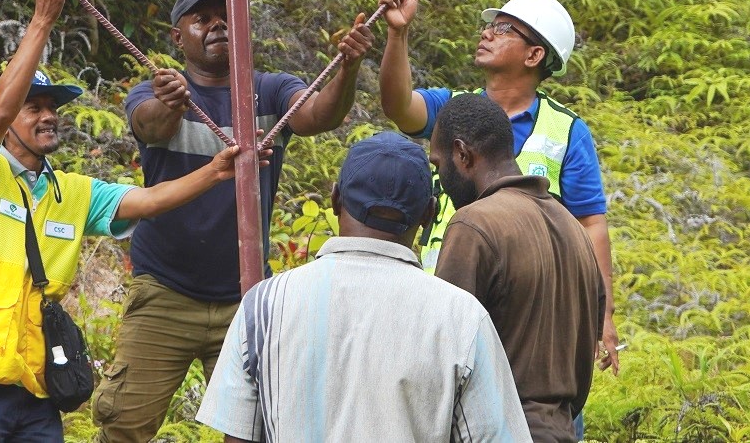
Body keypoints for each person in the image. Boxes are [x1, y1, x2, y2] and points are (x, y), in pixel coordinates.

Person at [0, 0, 261, 443]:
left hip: (38, 385)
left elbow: (146, 201)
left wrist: (215, 171)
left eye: (52, 108)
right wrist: (42, 20)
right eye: (34, 107)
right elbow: (0, 108)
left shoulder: (74, 192)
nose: (49, 117)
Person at [91, 0, 374, 443]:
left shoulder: (272, 90)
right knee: (123, 424)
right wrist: (172, 102)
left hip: (246, 298)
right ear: (177, 38)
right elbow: (150, 125)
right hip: (164, 292)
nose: (217, 24)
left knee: (256, 432)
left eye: (227, 16)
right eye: (201, 19)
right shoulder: (153, 92)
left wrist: (349, 66)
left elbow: (318, 116)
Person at [196, 131, 531, 442]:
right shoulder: (462, 317)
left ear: (336, 199)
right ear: (428, 214)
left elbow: (237, 435)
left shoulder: (263, 305)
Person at [378, 0, 621, 376]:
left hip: (535, 313)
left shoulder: (566, 132)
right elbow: (399, 105)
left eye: (504, 28)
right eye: (490, 25)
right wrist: (397, 33)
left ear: (534, 54)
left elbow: (591, 223)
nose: (487, 33)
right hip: (442, 293)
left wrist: (603, 315)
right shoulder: (453, 109)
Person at [431, 93, 605, 441]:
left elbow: (442, 357)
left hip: (497, 430)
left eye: (438, 166)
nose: (441, 180)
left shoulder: (473, 224)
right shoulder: (575, 230)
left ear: (462, 154)